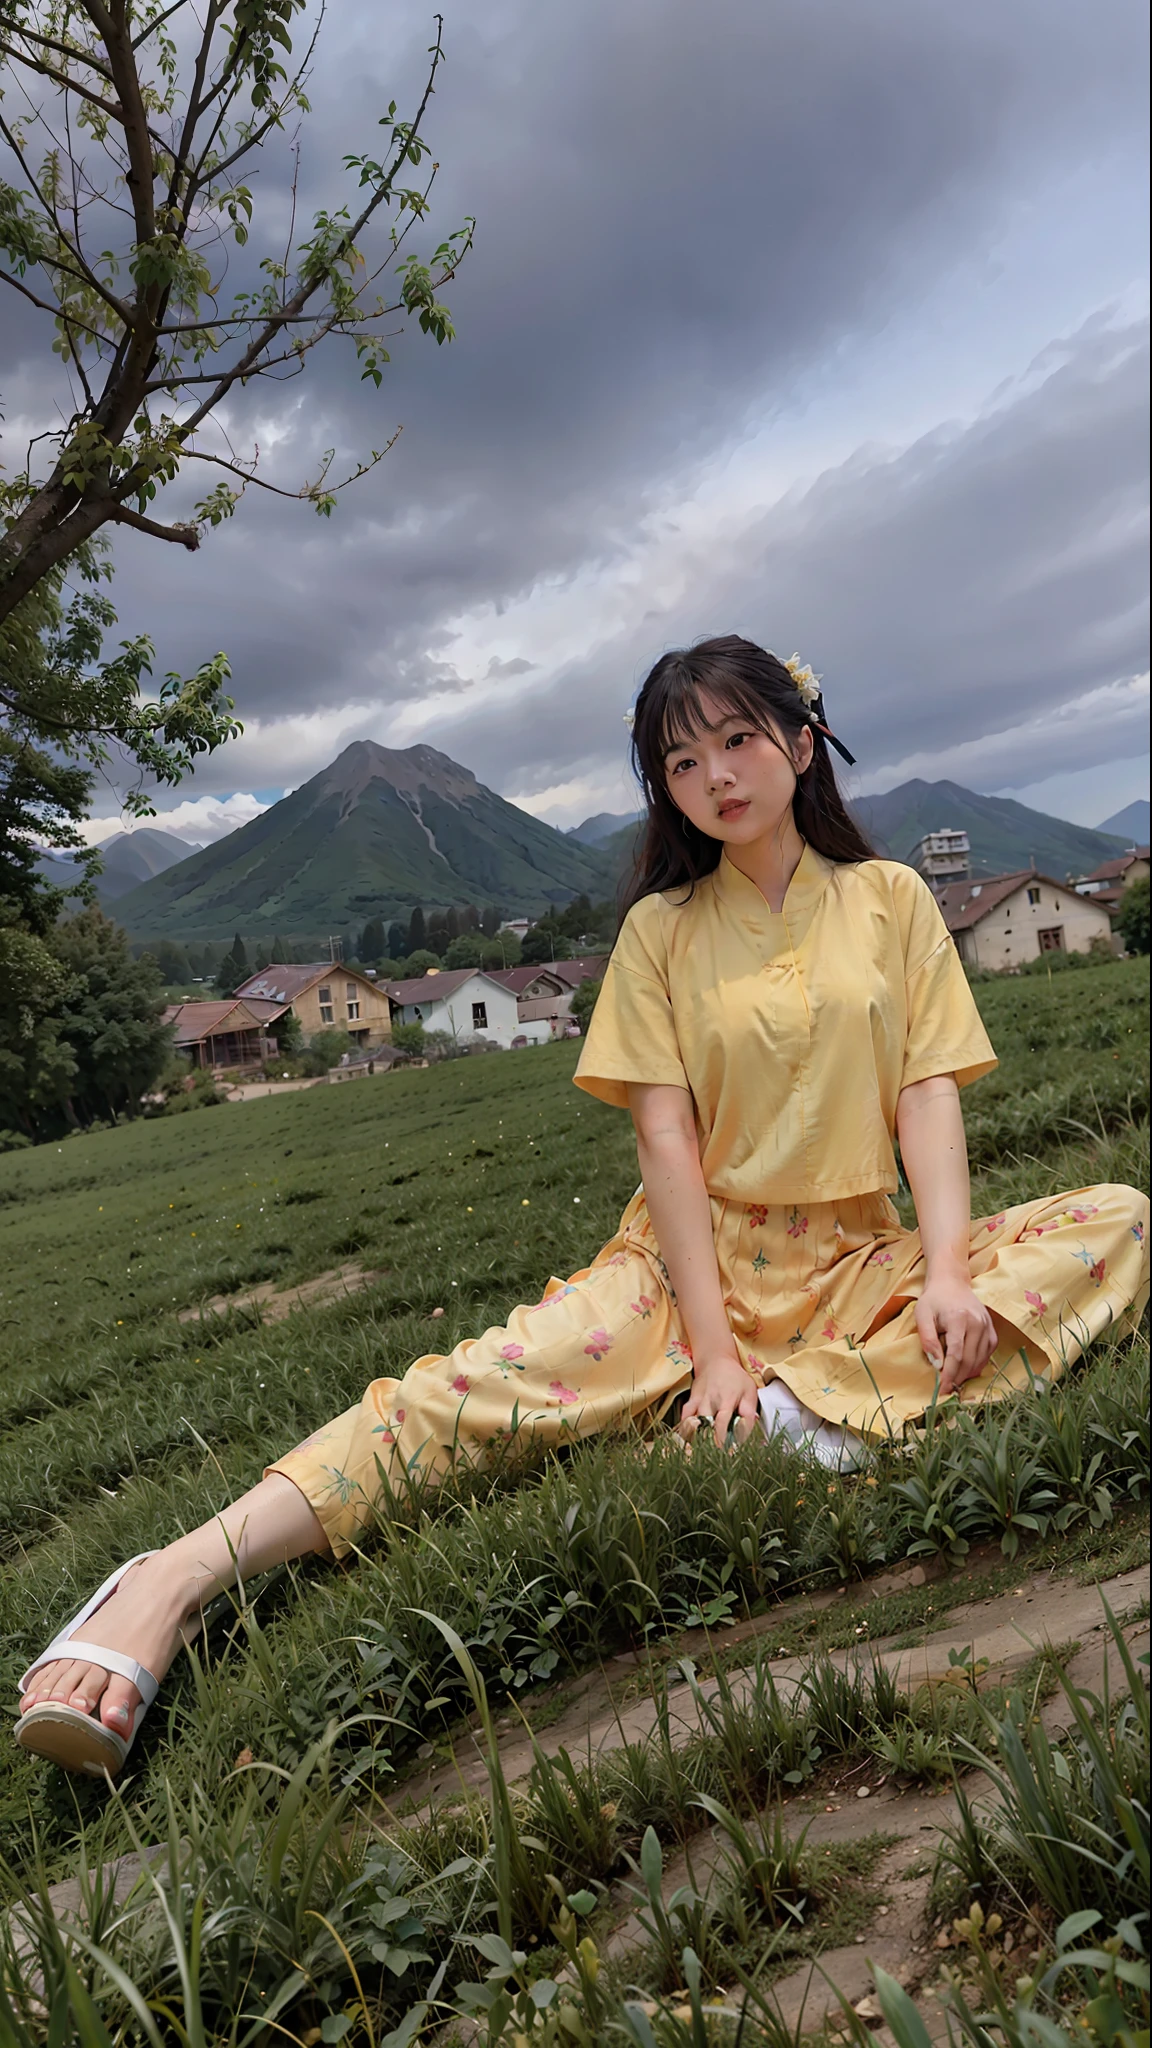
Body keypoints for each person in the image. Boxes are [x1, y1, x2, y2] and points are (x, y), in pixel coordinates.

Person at [17, 636, 1149, 1777]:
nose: (716, 773)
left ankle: (797, 1417)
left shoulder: (894, 899)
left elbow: (925, 1094)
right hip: (684, 1264)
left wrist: (947, 1269)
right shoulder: (660, 931)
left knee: (1120, 1216)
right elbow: (667, 1137)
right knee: (454, 1394)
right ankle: (173, 1576)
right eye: (682, 757)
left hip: (859, 1257)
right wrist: (710, 1350)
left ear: (803, 745)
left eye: (740, 738)